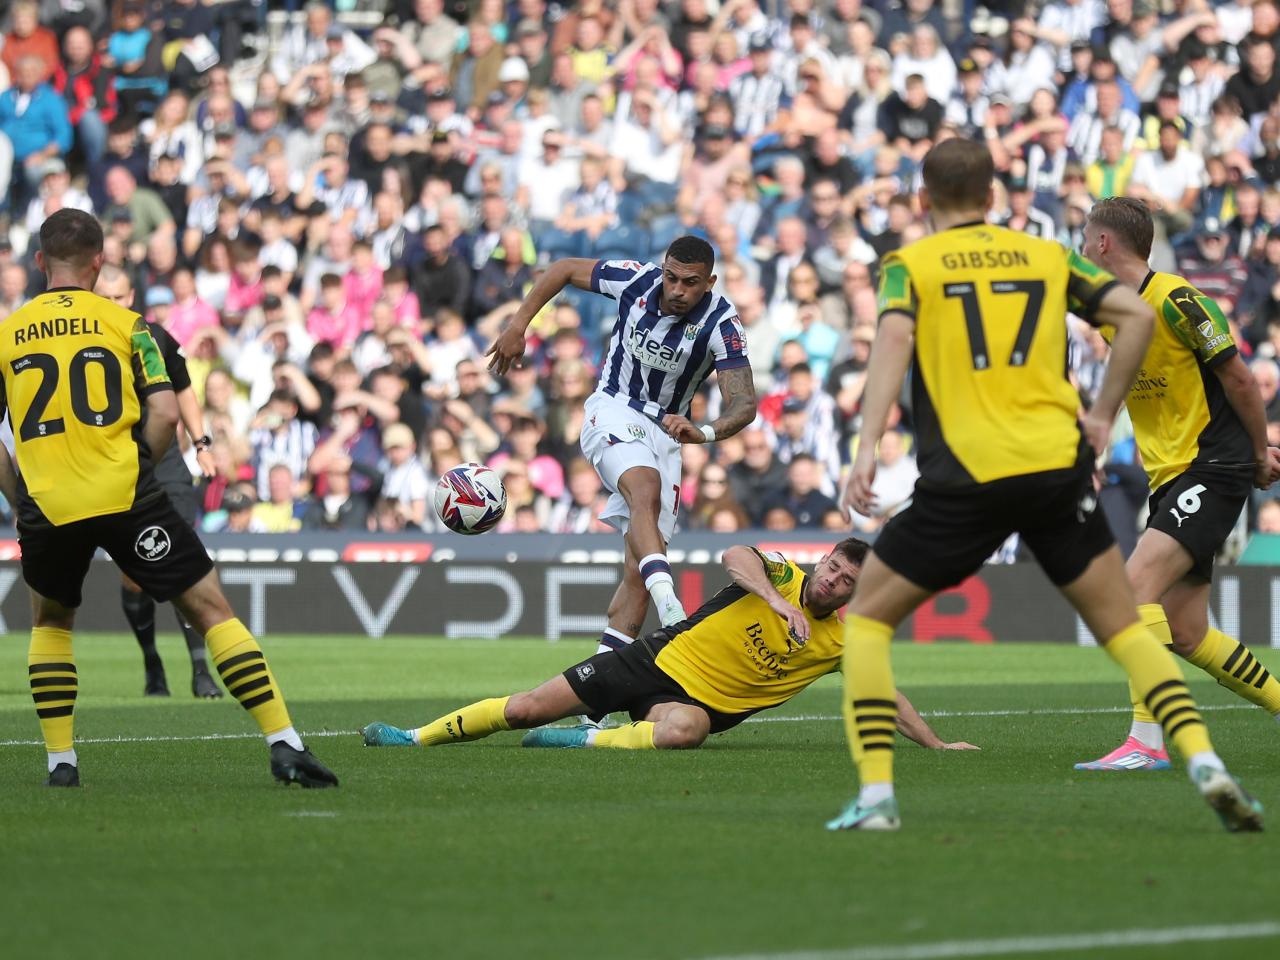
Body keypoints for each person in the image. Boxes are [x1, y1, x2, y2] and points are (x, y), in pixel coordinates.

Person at [829, 140, 1261, 833]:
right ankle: (1204, 760)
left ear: (923, 199)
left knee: (867, 622)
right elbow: (1135, 317)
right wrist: (1100, 414)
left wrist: (865, 448)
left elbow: (890, 347)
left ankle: (877, 796)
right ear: (993, 198)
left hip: (965, 473)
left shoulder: (909, 265)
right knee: (1132, 624)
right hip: (1056, 466)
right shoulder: (1047, 256)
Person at [0, 210, 336, 789]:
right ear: (99, 262)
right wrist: (138, 472)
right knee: (211, 611)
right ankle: (284, 743)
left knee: (51, 622)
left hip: (48, 504)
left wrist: (20, 497)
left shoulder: (7, 334)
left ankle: (61, 764)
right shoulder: (131, 326)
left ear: (38, 262)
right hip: (126, 493)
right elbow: (163, 411)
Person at [362, 539, 978, 753]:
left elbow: (883, 694)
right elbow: (733, 555)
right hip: (652, 660)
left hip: (692, 705)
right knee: (524, 708)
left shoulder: (843, 640)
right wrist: (775, 600)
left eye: (846, 581)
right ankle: (413, 737)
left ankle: (582, 741)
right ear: (824, 560)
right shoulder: (781, 574)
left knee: (688, 731)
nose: (833, 581)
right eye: (834, 567)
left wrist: (936, 743)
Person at [1075, 197, 1280, 771]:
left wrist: (1257, 452)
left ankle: (1146, 742)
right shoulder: (1115, 314)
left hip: (1211, 465)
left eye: (1085, 237)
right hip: (1171, 475)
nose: (1080, 246)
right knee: (1187, 633)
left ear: (1104, 243)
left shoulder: (1178, 300)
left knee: (1131, 590)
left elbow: (1240, 379)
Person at [486, 236, 755, 652]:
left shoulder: (722, 322)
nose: (677, 290)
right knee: (644, 487)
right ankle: (672, 609)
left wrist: (703, 432)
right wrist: (518, 325)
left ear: (709, 282)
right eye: (671, 277)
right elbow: (562, 268)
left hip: (668, 433)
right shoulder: (636, 280)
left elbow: (744, 403)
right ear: (662, 270)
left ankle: (599, 685)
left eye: (690, 282)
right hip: (613, 406)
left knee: (638, 571)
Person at [95, 265, 221, 699]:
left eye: (119, 298)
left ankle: (201, 669)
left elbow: (182, 388)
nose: (113, 305)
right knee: (135, 576)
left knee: (183, 565)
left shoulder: (153, 337)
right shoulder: (84, 343)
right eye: (105, 298)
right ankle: (152, 662)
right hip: (114, 469)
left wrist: (201, 443)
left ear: (132, 298)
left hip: (165, 467)